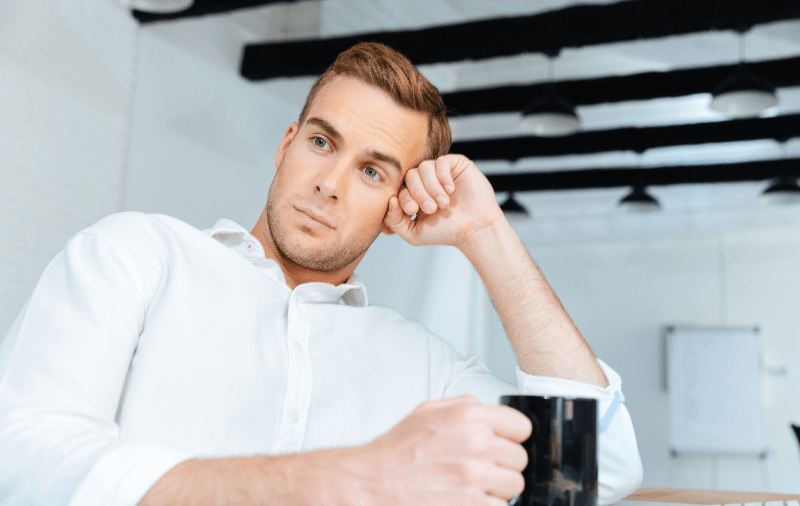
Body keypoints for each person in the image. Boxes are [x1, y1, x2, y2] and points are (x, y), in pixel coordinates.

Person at [0, 42, 642, 506]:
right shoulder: (135, 256)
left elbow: (588, 470)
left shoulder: (421, 366)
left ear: (400, 204)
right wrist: (351, 478)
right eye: (321, 142)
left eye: (372, 171)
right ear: (286, 145)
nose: (328, 184)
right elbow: (22, 465)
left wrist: (486, 235)